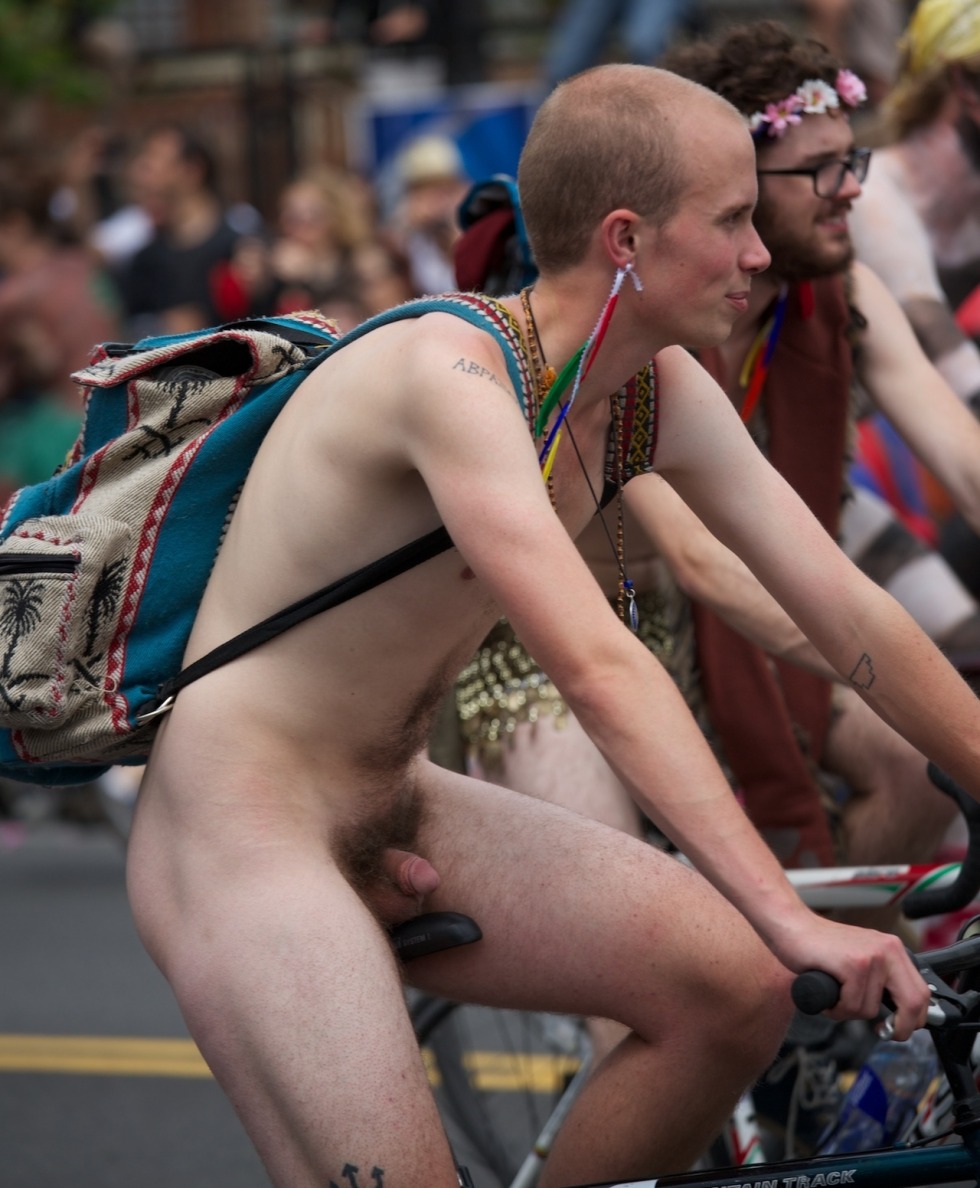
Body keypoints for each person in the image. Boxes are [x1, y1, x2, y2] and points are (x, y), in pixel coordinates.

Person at [126, 64, 970, 1187]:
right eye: (729, 221)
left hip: (398, 800)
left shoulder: (653, 388)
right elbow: (595, 664)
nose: (758, 253)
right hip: (247, 830)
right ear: (625, 238)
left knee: (732, 994)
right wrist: (791, 919)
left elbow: (845, 608)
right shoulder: (451, 371)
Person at [654, 18, 980, 876]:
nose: (851, 191)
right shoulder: (641, 323)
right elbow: (701, 564)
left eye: (854, 160)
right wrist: (901, 678)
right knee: (646, 936)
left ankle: (850, 999)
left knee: (923, 770)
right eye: (821, 170)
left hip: (781, 614)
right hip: (618, 645)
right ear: (734, 183)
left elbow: (967, 464)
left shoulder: (845, 293)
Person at [115, 124, 258, 339]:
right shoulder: (145, 260)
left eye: (155, 158)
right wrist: (162, 327)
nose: (142, 169)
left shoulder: (242, 244)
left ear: (192, 170)